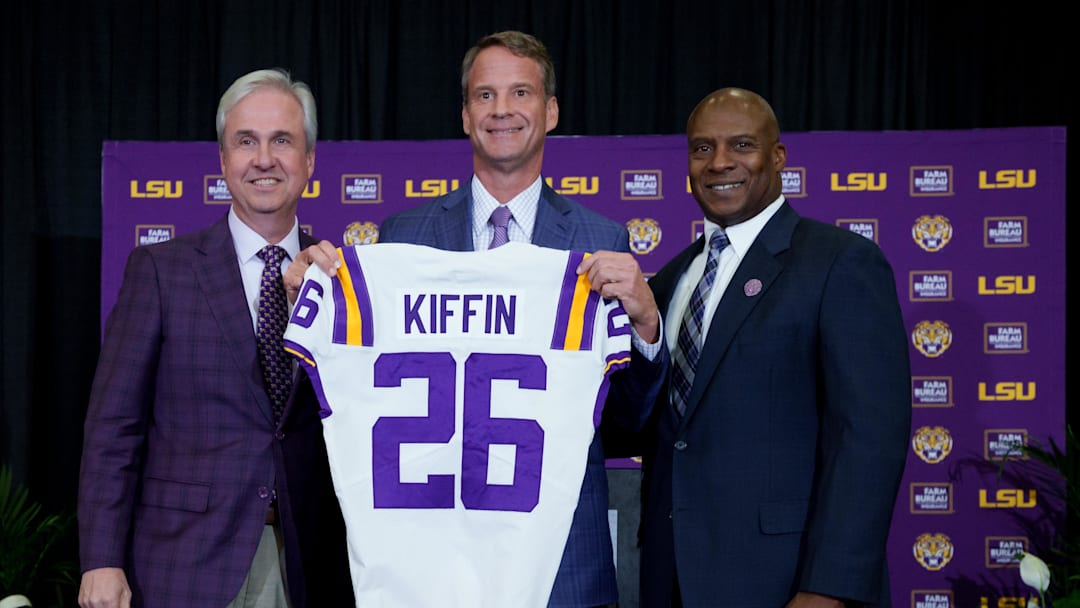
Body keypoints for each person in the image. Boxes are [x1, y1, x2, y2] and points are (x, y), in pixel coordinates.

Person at [284, 31, 661, 608]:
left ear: (551, 110)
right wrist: (312, 308)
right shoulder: (402, 239)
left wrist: (646, 327)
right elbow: (353, 399)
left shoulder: (598, 241)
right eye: (484, 96)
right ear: (465, 115)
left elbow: (626, 423)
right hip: (430, 561)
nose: (502, 110)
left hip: (561, 565)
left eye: (520, 93)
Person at [77, 68, 352, 608]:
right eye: (245, 141)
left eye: (283, 141)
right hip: (186, 563)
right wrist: (101, 559)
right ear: (223, 160)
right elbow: (114, 429)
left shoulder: (343, 281)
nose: (264, 158)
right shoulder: (161, 270)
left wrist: (322, 315)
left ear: (310, 160)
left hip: (311, 563)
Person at [634, 87, 911, 607]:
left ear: (777, 157)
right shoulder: (671, 280)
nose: (720, 163)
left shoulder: (840, 262)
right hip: (670, 578)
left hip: (785, 582)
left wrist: (828, 588)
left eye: (741, 145)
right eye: (702, 149)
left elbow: (867, 439)